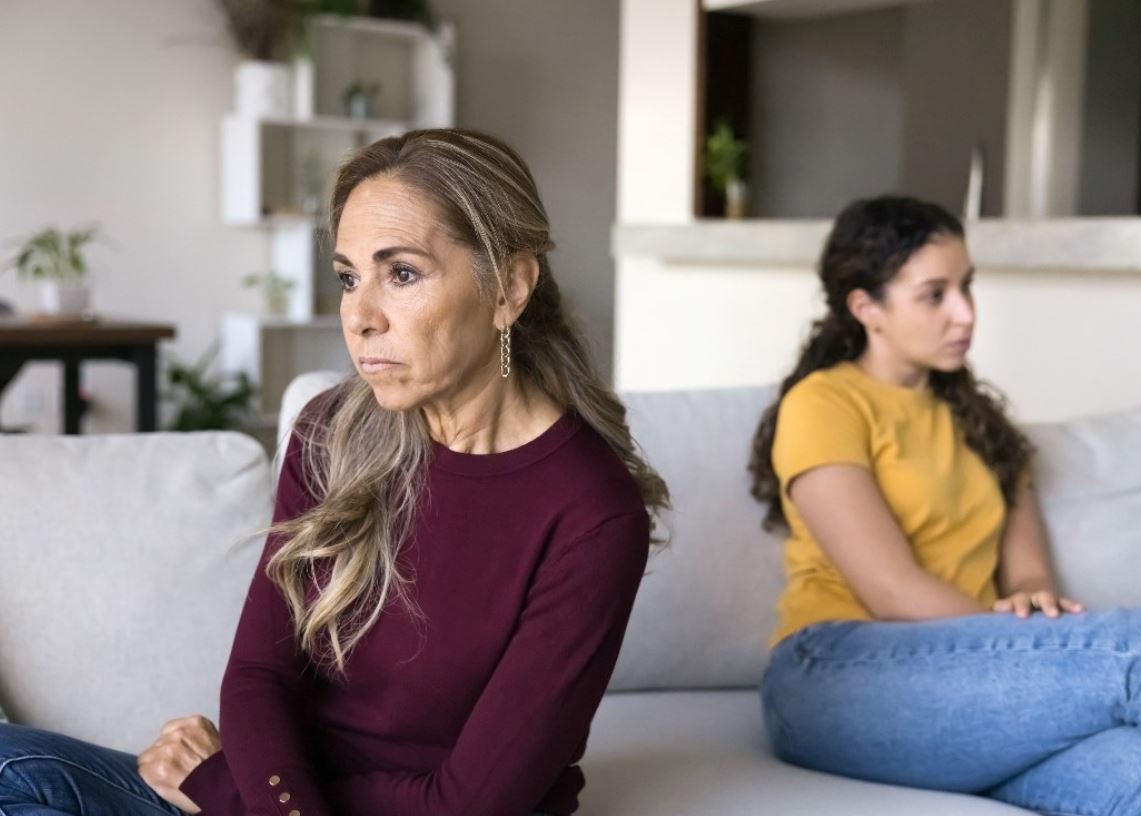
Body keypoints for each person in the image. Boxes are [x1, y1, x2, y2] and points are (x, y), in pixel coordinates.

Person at [0, 129, 668, 816]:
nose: (359, 316)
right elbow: (259, 673)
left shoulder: (591, 514)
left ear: (509, 288)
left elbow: (468, 805)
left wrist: (220, 787)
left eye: (401, 274)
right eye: (349, 277)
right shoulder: (334, 429)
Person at [749, 195, 1141, 815]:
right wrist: (1027, 650)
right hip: (833, 672)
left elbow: (1030, 577)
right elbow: (891, 589)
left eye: (967, 286)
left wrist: (1032, 604)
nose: (966, 313)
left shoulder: (985, 427)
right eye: (935, 295)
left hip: (972, 678)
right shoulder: (824, 403)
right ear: (866, 308)